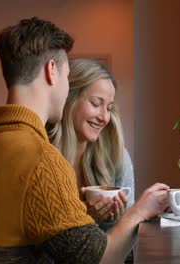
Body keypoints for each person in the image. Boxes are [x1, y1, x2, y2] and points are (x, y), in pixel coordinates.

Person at [0, 17, 169, 263]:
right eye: (67, 75)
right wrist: (138, 212)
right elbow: (99, 260)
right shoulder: (43, 162)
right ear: (52, 70)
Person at [47, 59, 134, 231]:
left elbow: (129, 231)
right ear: (68, 99)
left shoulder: (116, 155)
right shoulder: (42, 156)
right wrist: (86, 217)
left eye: (108, 108)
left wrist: (119, 218)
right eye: (95, 103)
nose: (104, 117)